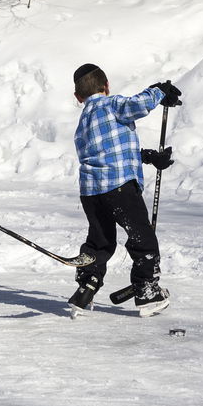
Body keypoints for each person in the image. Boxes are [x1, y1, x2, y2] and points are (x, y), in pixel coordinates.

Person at [69, 63, 181, 317]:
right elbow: (138, 105)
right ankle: (147, 291)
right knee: (142, 238)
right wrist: (158, 91)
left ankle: (87, 286)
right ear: (106, 87)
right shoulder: (112, 104)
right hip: (119, 189)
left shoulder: (83, 122)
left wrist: (147, 157)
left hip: (91, 193)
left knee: (100, 241)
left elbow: (106, 153)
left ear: (78, 97)